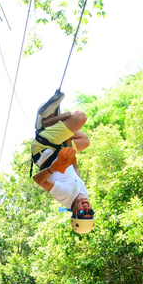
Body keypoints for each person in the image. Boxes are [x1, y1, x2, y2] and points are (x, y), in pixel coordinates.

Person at [31, 90, 95, 233]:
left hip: (44, 147)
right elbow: (75, 170)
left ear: (73, 211)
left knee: (79, 117)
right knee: (84, 142)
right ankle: (55, 121)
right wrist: (68, 144)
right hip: (59, 149)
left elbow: (38, 180)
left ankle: (46, 122)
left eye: (83, 213)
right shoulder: (84, 195)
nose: (87, 208)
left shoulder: (65, 195)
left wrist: (54, 168)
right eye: (91, 212)